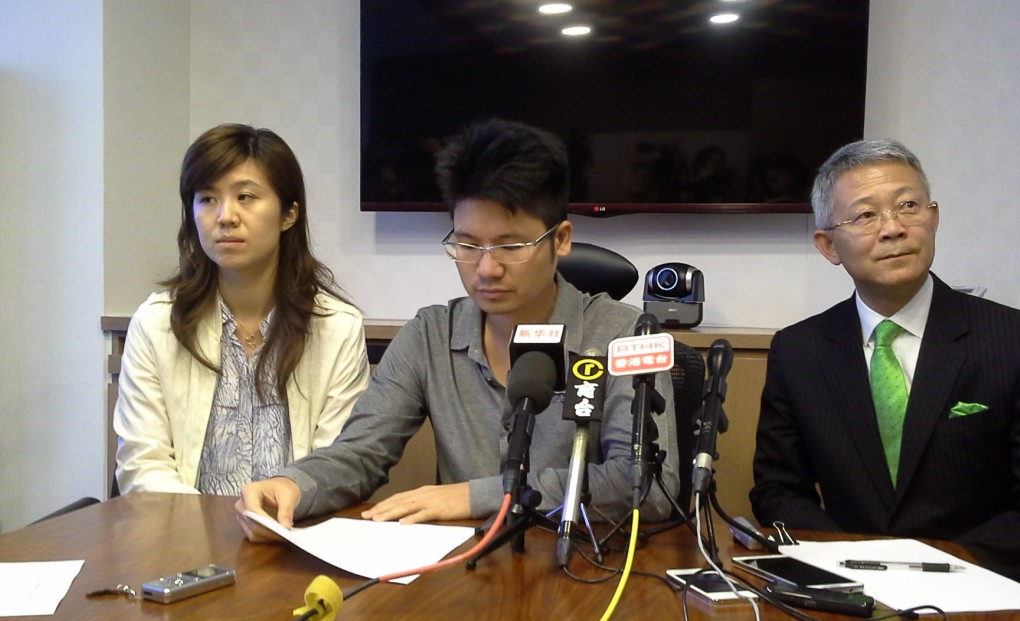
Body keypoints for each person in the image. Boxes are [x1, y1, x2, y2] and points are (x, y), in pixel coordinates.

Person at [236, 118, 678, 536]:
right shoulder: (431, 334)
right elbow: (361, 454)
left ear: (561, 239)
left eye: (511, 246)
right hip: (463, 577)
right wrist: (295, 486)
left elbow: (646, 485)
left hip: (582, 570)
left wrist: (479, 496)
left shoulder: (626, 337)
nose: (486, 269)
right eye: (467, 244)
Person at [750, 139, 1020, 578]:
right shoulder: (799, 350)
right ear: (829, 245)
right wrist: (848, 561)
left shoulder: (1009, 339)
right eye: (865, 215)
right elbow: (778, 491)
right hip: (847, 584)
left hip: (983, 586)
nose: (892, 228)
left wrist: (947, 566)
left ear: (933, 219)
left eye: (907, 206)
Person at [114, 124, 370, 495]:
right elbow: (142, 466)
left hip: (293, 537)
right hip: (183, 541)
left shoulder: (336, 329)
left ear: (288, 214)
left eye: (246, 197)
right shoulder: (156, 324)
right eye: (207, 199)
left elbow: (336, 469)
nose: (225, 216)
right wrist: (204, 536)